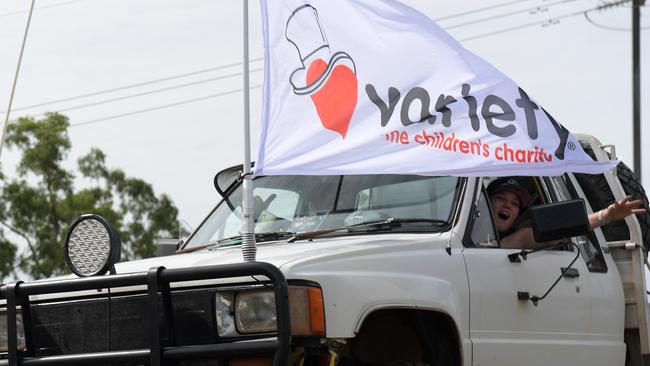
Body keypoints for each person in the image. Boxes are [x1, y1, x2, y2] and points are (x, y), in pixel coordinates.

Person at [487, 177, 646, 249]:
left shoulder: (516, 239)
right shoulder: (463, 236)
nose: (508, 205)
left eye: (515, 203)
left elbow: (563, 228)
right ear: (484, 202)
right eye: (500, 198)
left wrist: (606, 215)